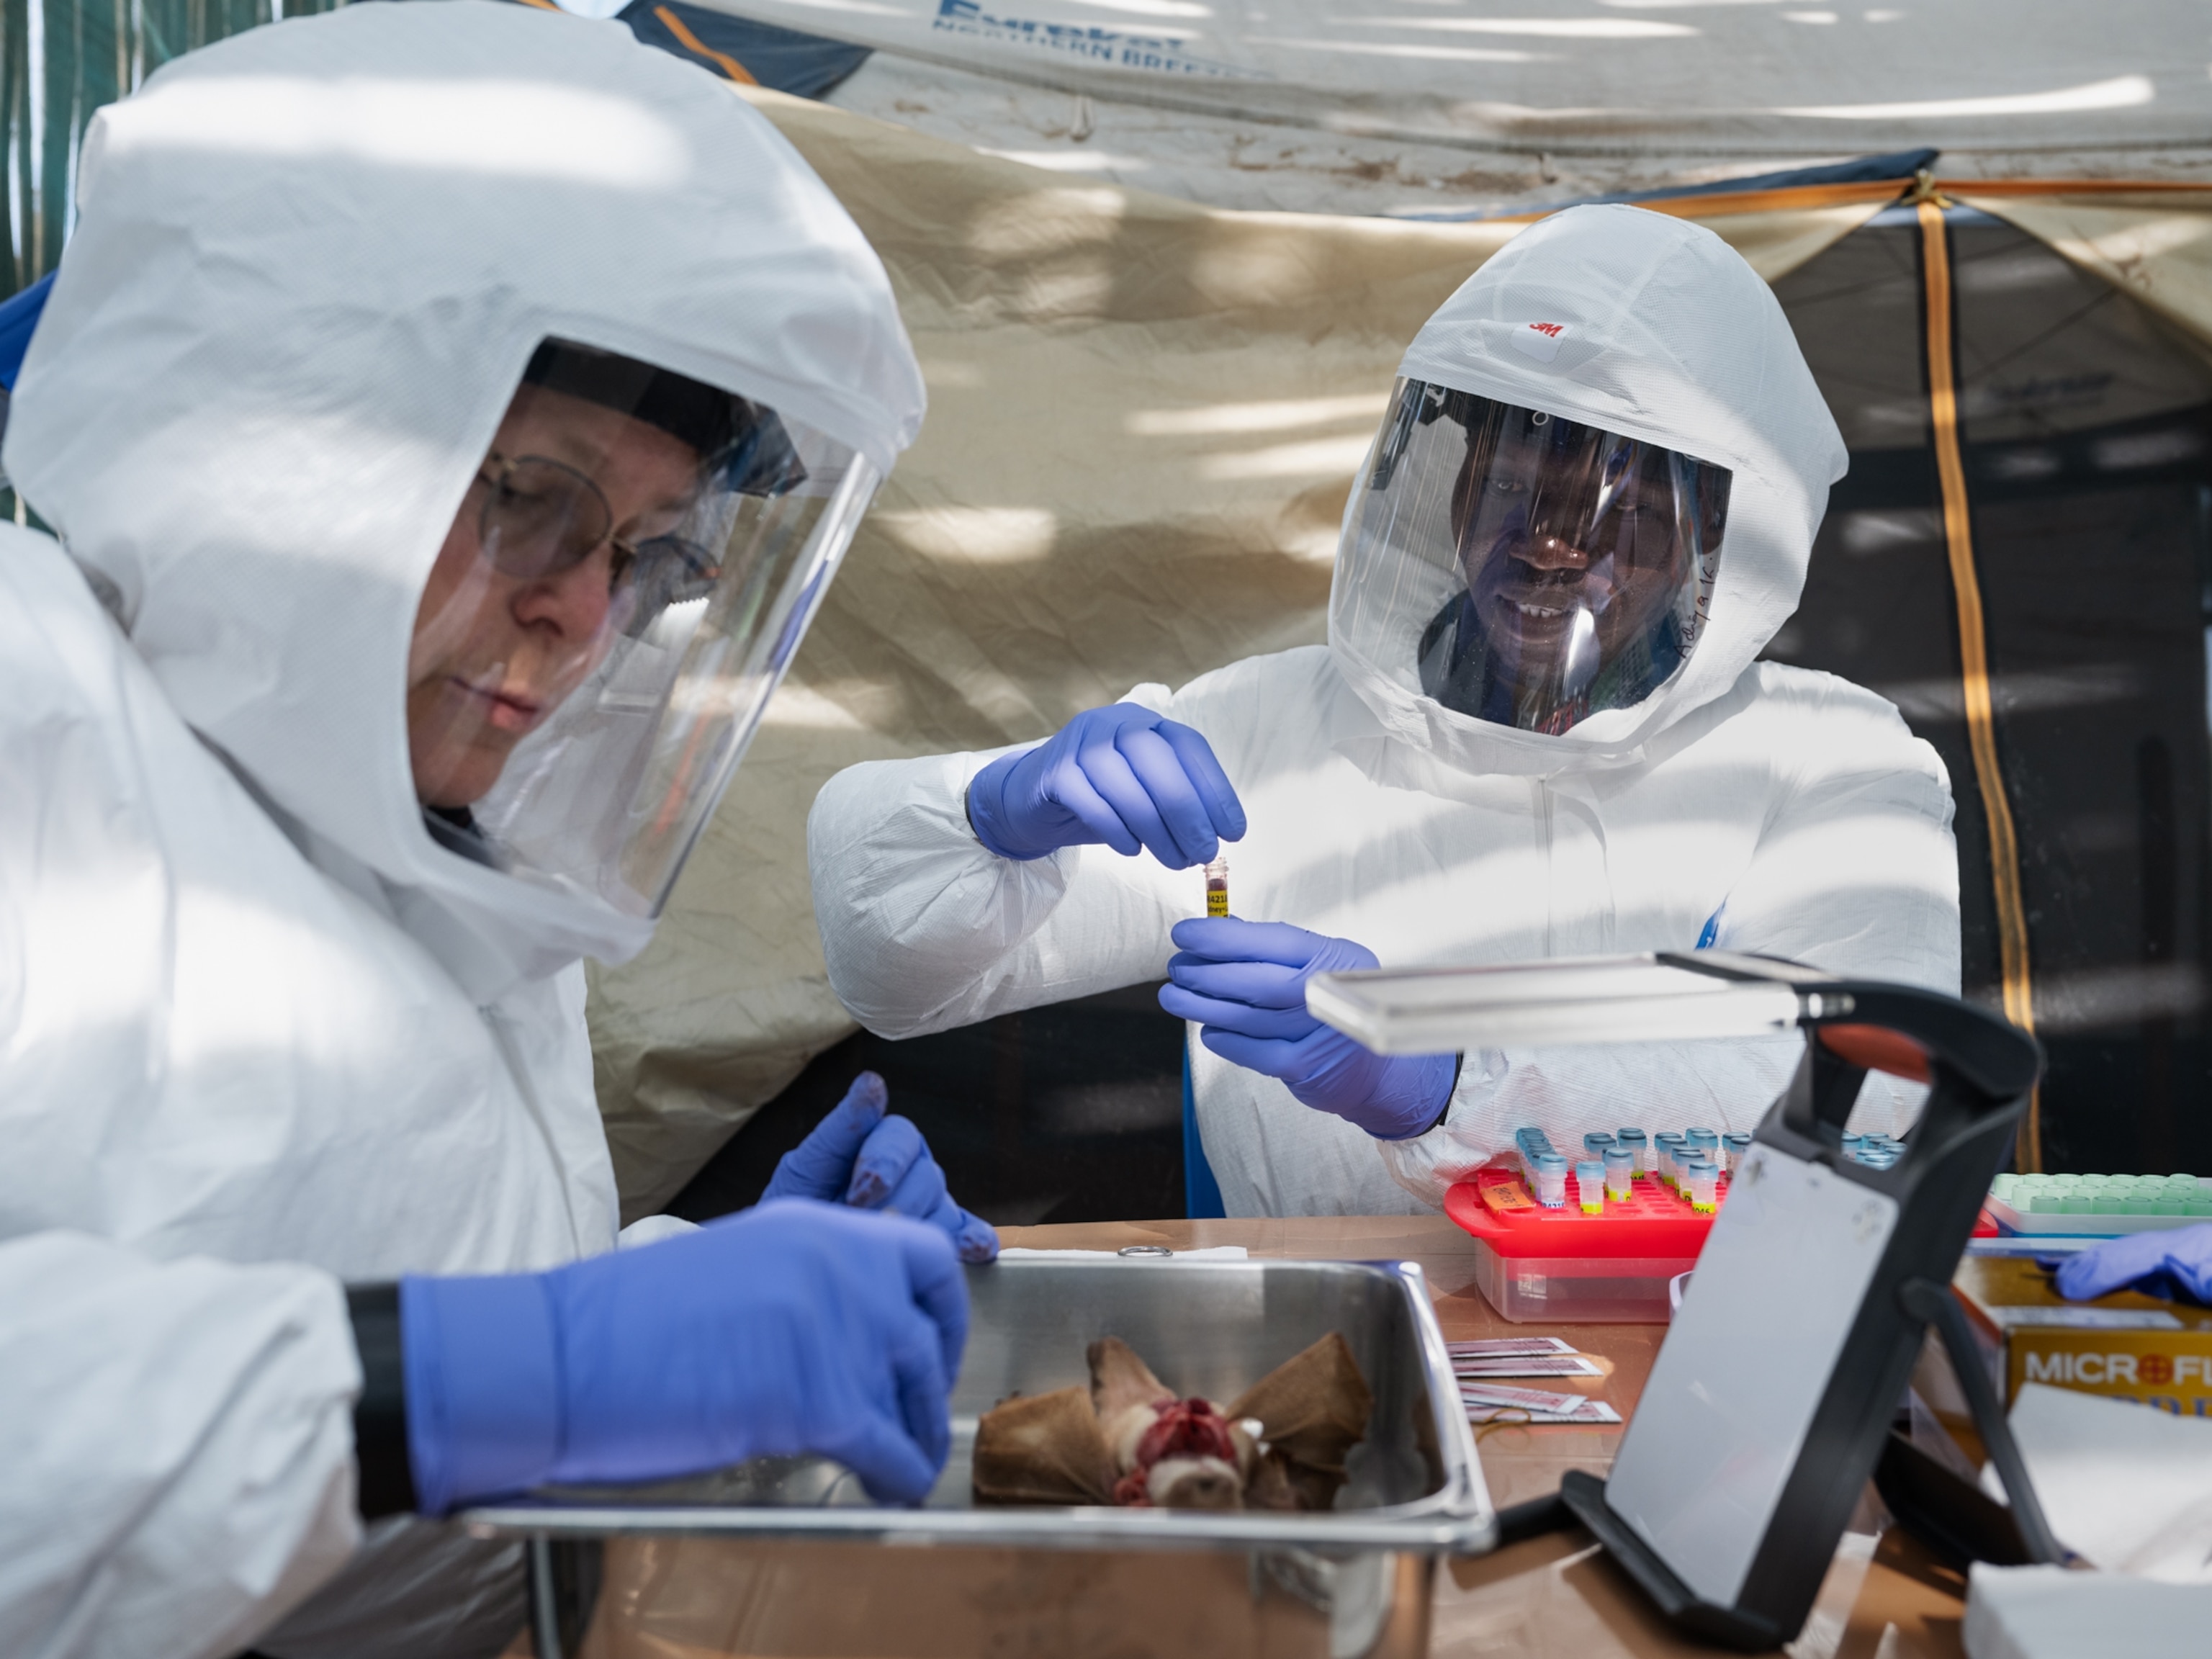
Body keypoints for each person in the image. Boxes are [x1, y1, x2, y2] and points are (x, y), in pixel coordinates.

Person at [0, 5, 989, 1655]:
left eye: (650, 553)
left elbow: (360, 1273)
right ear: (284, 432)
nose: (583, 617)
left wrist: (690, 1292)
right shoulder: (35, 717)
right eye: (530, 494)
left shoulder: (417, 814)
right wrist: (530, 1372)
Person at [810, 204, 1961, 1218]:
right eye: (1516, 481)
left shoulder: (1829, 763)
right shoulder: (1272, 731)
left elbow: (1870, 1098)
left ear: (1726, 542)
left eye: (1622, 507)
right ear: (1452, 483)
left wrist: (1451, 1072)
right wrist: (986, 819)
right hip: (1327, 1341)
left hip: (1683, 1345)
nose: (1551, 544)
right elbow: (894, 976)